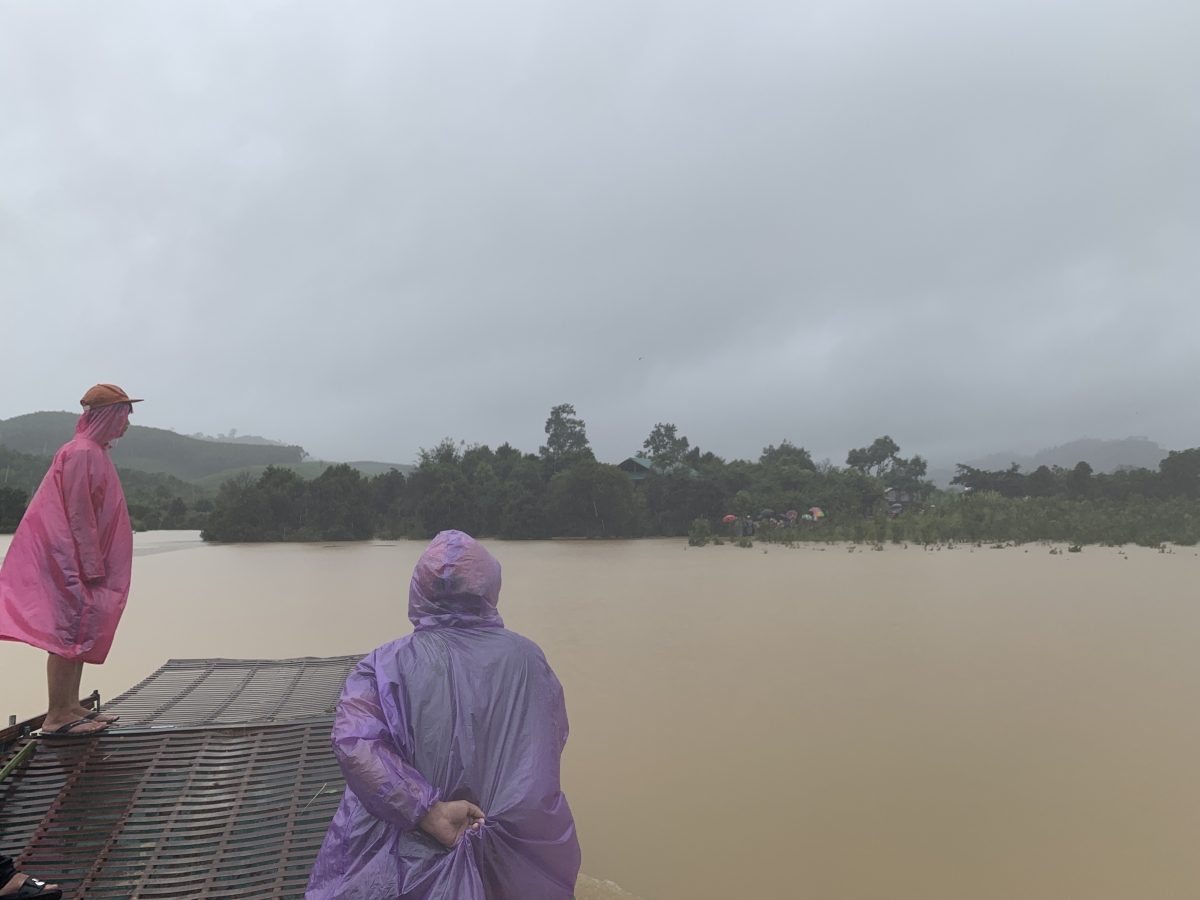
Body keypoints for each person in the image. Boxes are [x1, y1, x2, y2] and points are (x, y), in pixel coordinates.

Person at [307, 530, 580, 900]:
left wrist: (428, 811)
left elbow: (354, 744)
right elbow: (546, 750)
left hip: (402, 859)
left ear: (419, 592)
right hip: (504, 854)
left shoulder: (384, 664)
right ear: (489, 589)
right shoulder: (528, 660)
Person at [0, 384, 141, 737]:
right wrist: (90, 564)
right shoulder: (81, 453)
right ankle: (57, 716)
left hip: (80, 559)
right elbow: (78, 513)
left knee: (81, 630)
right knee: (67, 633)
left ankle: (72, 704)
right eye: (123, 415)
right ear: (108, 416)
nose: (126, 424)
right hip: (73, 561)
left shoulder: (94, 452)